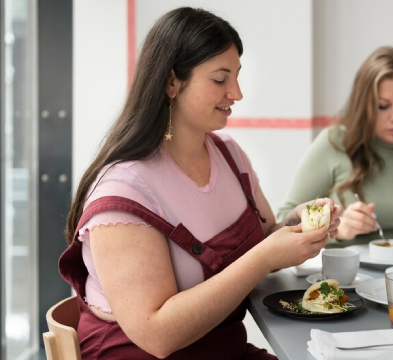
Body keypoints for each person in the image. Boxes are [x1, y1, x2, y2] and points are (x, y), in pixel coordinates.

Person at [59, 7, 340, 360]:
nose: (236, 93)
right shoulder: (124, 192)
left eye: (237, 76)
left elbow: (266, 240)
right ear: (171, 82)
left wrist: (296, 228)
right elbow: (157, 336)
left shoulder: (229, 155)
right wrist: (266, 257)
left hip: (223, 349)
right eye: (220, 80)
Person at [277, 46, 393, 250]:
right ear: (363, 105)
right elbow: (282, 225)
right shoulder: (333, 143)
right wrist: (336, 231)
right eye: (382, 106)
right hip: (348, 280)